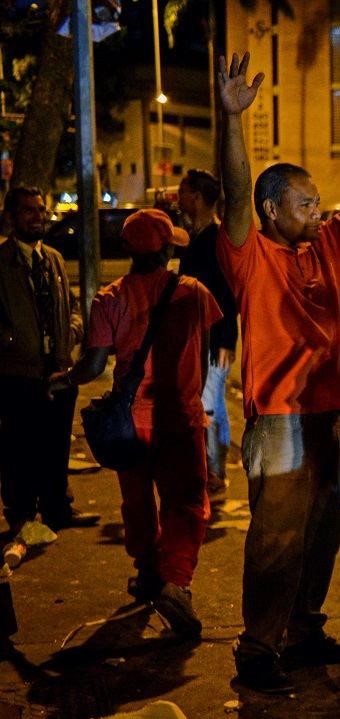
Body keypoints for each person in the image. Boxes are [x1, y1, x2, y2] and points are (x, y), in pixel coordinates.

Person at [214, 53, 340, 694]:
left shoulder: (324, 242)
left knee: (322, 532)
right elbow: (237, 185)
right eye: (304, 203)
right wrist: (231, 122)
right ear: (272, 209)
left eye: (317, 202)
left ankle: (302, 632)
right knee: (276, 538)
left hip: (328, 412)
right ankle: (258, 649)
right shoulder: (250, 250)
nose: (316, 211)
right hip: (279, 418)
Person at [48, 209, 217, 637]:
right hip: (180, 416)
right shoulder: (193, 291)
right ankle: (176, 582)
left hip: (129, 421)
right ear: (167, 248)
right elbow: (205, 354)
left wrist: (65, 377)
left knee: (138, 501)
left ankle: (147, 573)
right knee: (185, 503)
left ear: (127, 249)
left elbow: (93, 365)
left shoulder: (109, 298)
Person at [0, 187, 98, 536]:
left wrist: (72, 330)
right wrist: (10, 340)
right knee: (18, 446)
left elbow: (71, 305)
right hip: (17, 373)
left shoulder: (53, 259)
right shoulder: (3, 262)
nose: (38, 216)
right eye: (29, 210)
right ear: (11, 216)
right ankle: (21, 515)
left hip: (58, 369)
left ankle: (58, 508)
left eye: (41, 209)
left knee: (55, 444)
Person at [175, 169, 238, 508]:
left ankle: (216, 475)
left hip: (215, 339)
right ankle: (209, 471)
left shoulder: (215, 239)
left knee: (211, 406)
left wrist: (227, 338)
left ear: (197, 197)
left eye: (183, 191)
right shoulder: (196, 237)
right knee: (206, 403)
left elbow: (227, 293)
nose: (179, 197)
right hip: (199, 337)